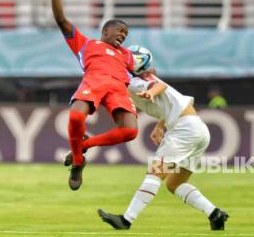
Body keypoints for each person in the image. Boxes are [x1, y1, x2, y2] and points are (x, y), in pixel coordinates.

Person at [97, 45, 229, 231]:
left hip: (184, 130)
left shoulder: (134, 81)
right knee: (175, 183)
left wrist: (151, 92)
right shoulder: (142, 77)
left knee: (155, 173)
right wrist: (161, 123)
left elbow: (161, 87)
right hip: (197, 129)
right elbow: (180, 100)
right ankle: (215, 214)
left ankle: (126, 220)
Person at [48, 0, 139, 191]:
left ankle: (83, 145)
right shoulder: (87, 44)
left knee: (130, 131)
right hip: (95, 81)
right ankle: (78, 162)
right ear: (105, 31)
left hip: (118, 87)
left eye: (125, 35)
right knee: (76, 117)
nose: (122, 36)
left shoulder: (126, 54)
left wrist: (150, 75)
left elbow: (139, 73)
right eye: (119, 31)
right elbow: (61, 20)